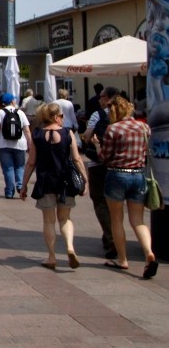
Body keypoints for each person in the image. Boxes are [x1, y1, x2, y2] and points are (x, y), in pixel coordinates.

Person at [95, 95, 158, 278]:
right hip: (138, 175)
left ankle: (122, 259)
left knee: (116, 219)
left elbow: (105, 157)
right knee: (138, 220)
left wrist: (98, 147)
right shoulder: (143, 127)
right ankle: (149, 253)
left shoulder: (113, 129)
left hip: (116, 174)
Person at [19, 102, 88, 270]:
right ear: (56, 117)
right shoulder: (67, 133)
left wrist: (24, 185)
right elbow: (77, 159)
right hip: (65, 181)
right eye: (62, 116)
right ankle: (70, 248)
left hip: (45, 181)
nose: (63, 119)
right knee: (65, 218)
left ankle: (51, 256)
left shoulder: (37, 135)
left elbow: (31, 162)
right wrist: (85, 180)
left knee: (49, 221)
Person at [80, 86, 120, 259]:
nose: (98, 99)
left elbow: (87, 136)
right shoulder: (126, 115)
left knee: (99, 200)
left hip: (98, 163)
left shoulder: (98, 115)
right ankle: (110, 235)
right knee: (116, 203)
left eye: (102, 96)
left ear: (109, 98)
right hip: (119, 164)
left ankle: (112, 238)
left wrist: (88, 139)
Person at [0, 93, 32, 199]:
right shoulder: (20, 112)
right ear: (13, 101)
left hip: (3, 144)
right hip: (20, 144)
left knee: (8, 168)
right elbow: (26, 129)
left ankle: (9, 191)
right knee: (20, 166)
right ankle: (20, 185)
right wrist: (30, 143)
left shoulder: (0, 112)